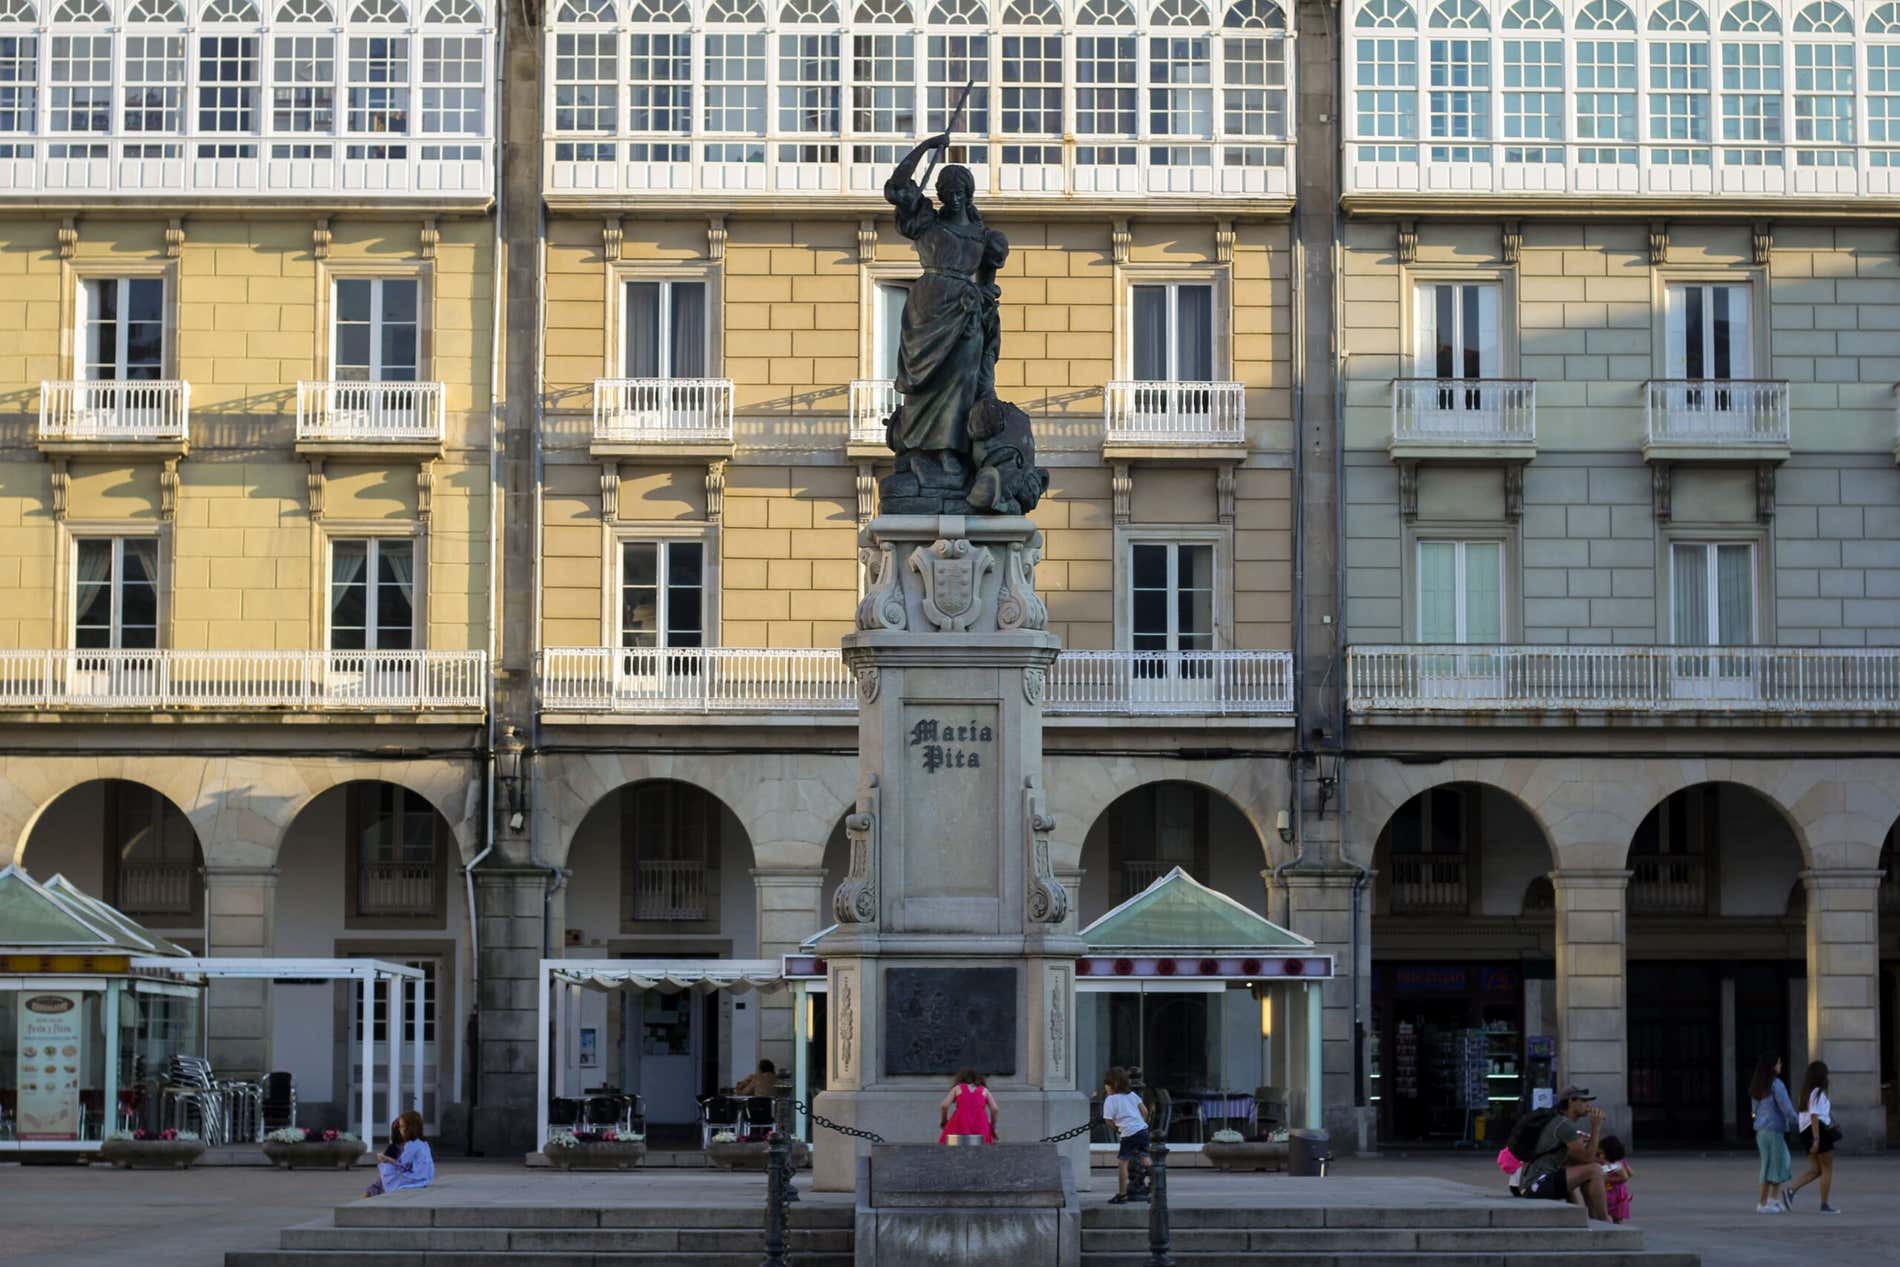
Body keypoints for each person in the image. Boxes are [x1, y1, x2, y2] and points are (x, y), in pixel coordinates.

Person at [1514, 1087, 1610, 1222]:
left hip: (1531, 1184)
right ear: (1571, 1101)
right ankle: (1604, 1220)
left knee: (1586, 1172)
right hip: (1537, 1184)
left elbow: (1578, 1160)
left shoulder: (1557, 1121)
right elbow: (1587, 1159)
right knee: (1594, 1170)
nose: (1588, 1105)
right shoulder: (1563, 1125)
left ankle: (1590, 1220)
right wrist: (1596, 1128)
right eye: (1584, 1101)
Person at [1784, 1060, 1840, 1214]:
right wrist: (1817, 1139)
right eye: (1826, 1074)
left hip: (1806, 1132)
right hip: (1818, 1132)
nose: (1828, 1077)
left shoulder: (1806, 1093)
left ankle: (1790, 1190)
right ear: (1822, 1076)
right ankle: (1824, 1205)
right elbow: (1815, 1116)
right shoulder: (1817, 1093)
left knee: (1816, 1170)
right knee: (1827, 1169)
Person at [1748, 1053, 1797, 1213]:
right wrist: (1798, 1120)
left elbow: (1754, 1110)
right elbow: (1786, 1107)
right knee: (1773, 1164)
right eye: (1778, 1063)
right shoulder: (1776, 1085)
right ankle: (1763, 1203)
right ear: (1772, 1066)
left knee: (1777, 1163)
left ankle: (1772, 1199)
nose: (1780, 1065)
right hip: (1774, 1130)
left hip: (1762, 1131)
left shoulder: (1758, 1086)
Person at [1101, 1068, 1151, 1206]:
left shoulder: (1110, 1100)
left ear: (1113, 1084)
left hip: (1128, 1134)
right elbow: (1145, 1111)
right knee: (1146, 1159)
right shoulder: (1132, 1095)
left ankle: (1122, 1194)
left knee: (1123, 1163)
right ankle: (1155, 1185)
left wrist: (1118, 1129)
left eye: (1107, 1084)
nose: (1105, 1087)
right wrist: (1141, 1123)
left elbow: (1108, 1120)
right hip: (1142, 1130)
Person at [365, 1110, 434, 1197]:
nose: (400, 1130)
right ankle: (374, 1189)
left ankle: (375, 1190)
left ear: (410, 1128)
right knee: (388, 1168)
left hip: (417, 1178)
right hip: (425, 1177)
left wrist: (387, 1159)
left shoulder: (411, 1145)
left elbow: (402, 1164)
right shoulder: (423, 1143)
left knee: (388, 1168)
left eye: (402, 1127)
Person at [937, 1068, 998, 1145]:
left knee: (954, 1148)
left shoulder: (957, 1088)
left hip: (959, 1123)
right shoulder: (984, 1090)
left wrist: (944, 1121)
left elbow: (944, 1106)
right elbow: (995, 1109)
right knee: (981, 1149)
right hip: (980, 1124)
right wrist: (992, 1126)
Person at [1597, 1135, 1633, 1224]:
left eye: (1601, 1153)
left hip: (1614, 1193)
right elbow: (1630, 1173)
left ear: (1609, 1153)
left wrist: (1606, 1179)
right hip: (1619, 1192)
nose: (1600, 1156)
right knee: (1617, 1217)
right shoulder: (1619, 1161)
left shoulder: (1615, 1164)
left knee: (1612, 1215)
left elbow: (1624, 1177)